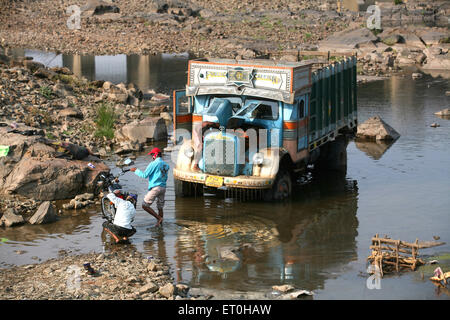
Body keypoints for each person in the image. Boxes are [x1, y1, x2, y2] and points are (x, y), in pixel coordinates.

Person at [130, 147, 169, 227]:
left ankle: (159, 218)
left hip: (155, 188)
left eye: (152, 155)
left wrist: (136, 170)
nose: (152, 157)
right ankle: (160, 225)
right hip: (163, 188)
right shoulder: (166, 165)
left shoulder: (153, 164)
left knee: (144, 205)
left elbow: (144, 175)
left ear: (155, 155)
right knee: (160, 207)